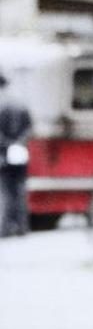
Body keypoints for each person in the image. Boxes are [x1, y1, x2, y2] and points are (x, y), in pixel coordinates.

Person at [0, 74, 32, 237]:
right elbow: (29, 128)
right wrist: (18, 142)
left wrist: (6, 143)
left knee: (4, 191)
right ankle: (22, 226)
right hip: (20, 151)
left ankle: (4, 227)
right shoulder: (20, 104)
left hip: (3, 153)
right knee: (20, 189)